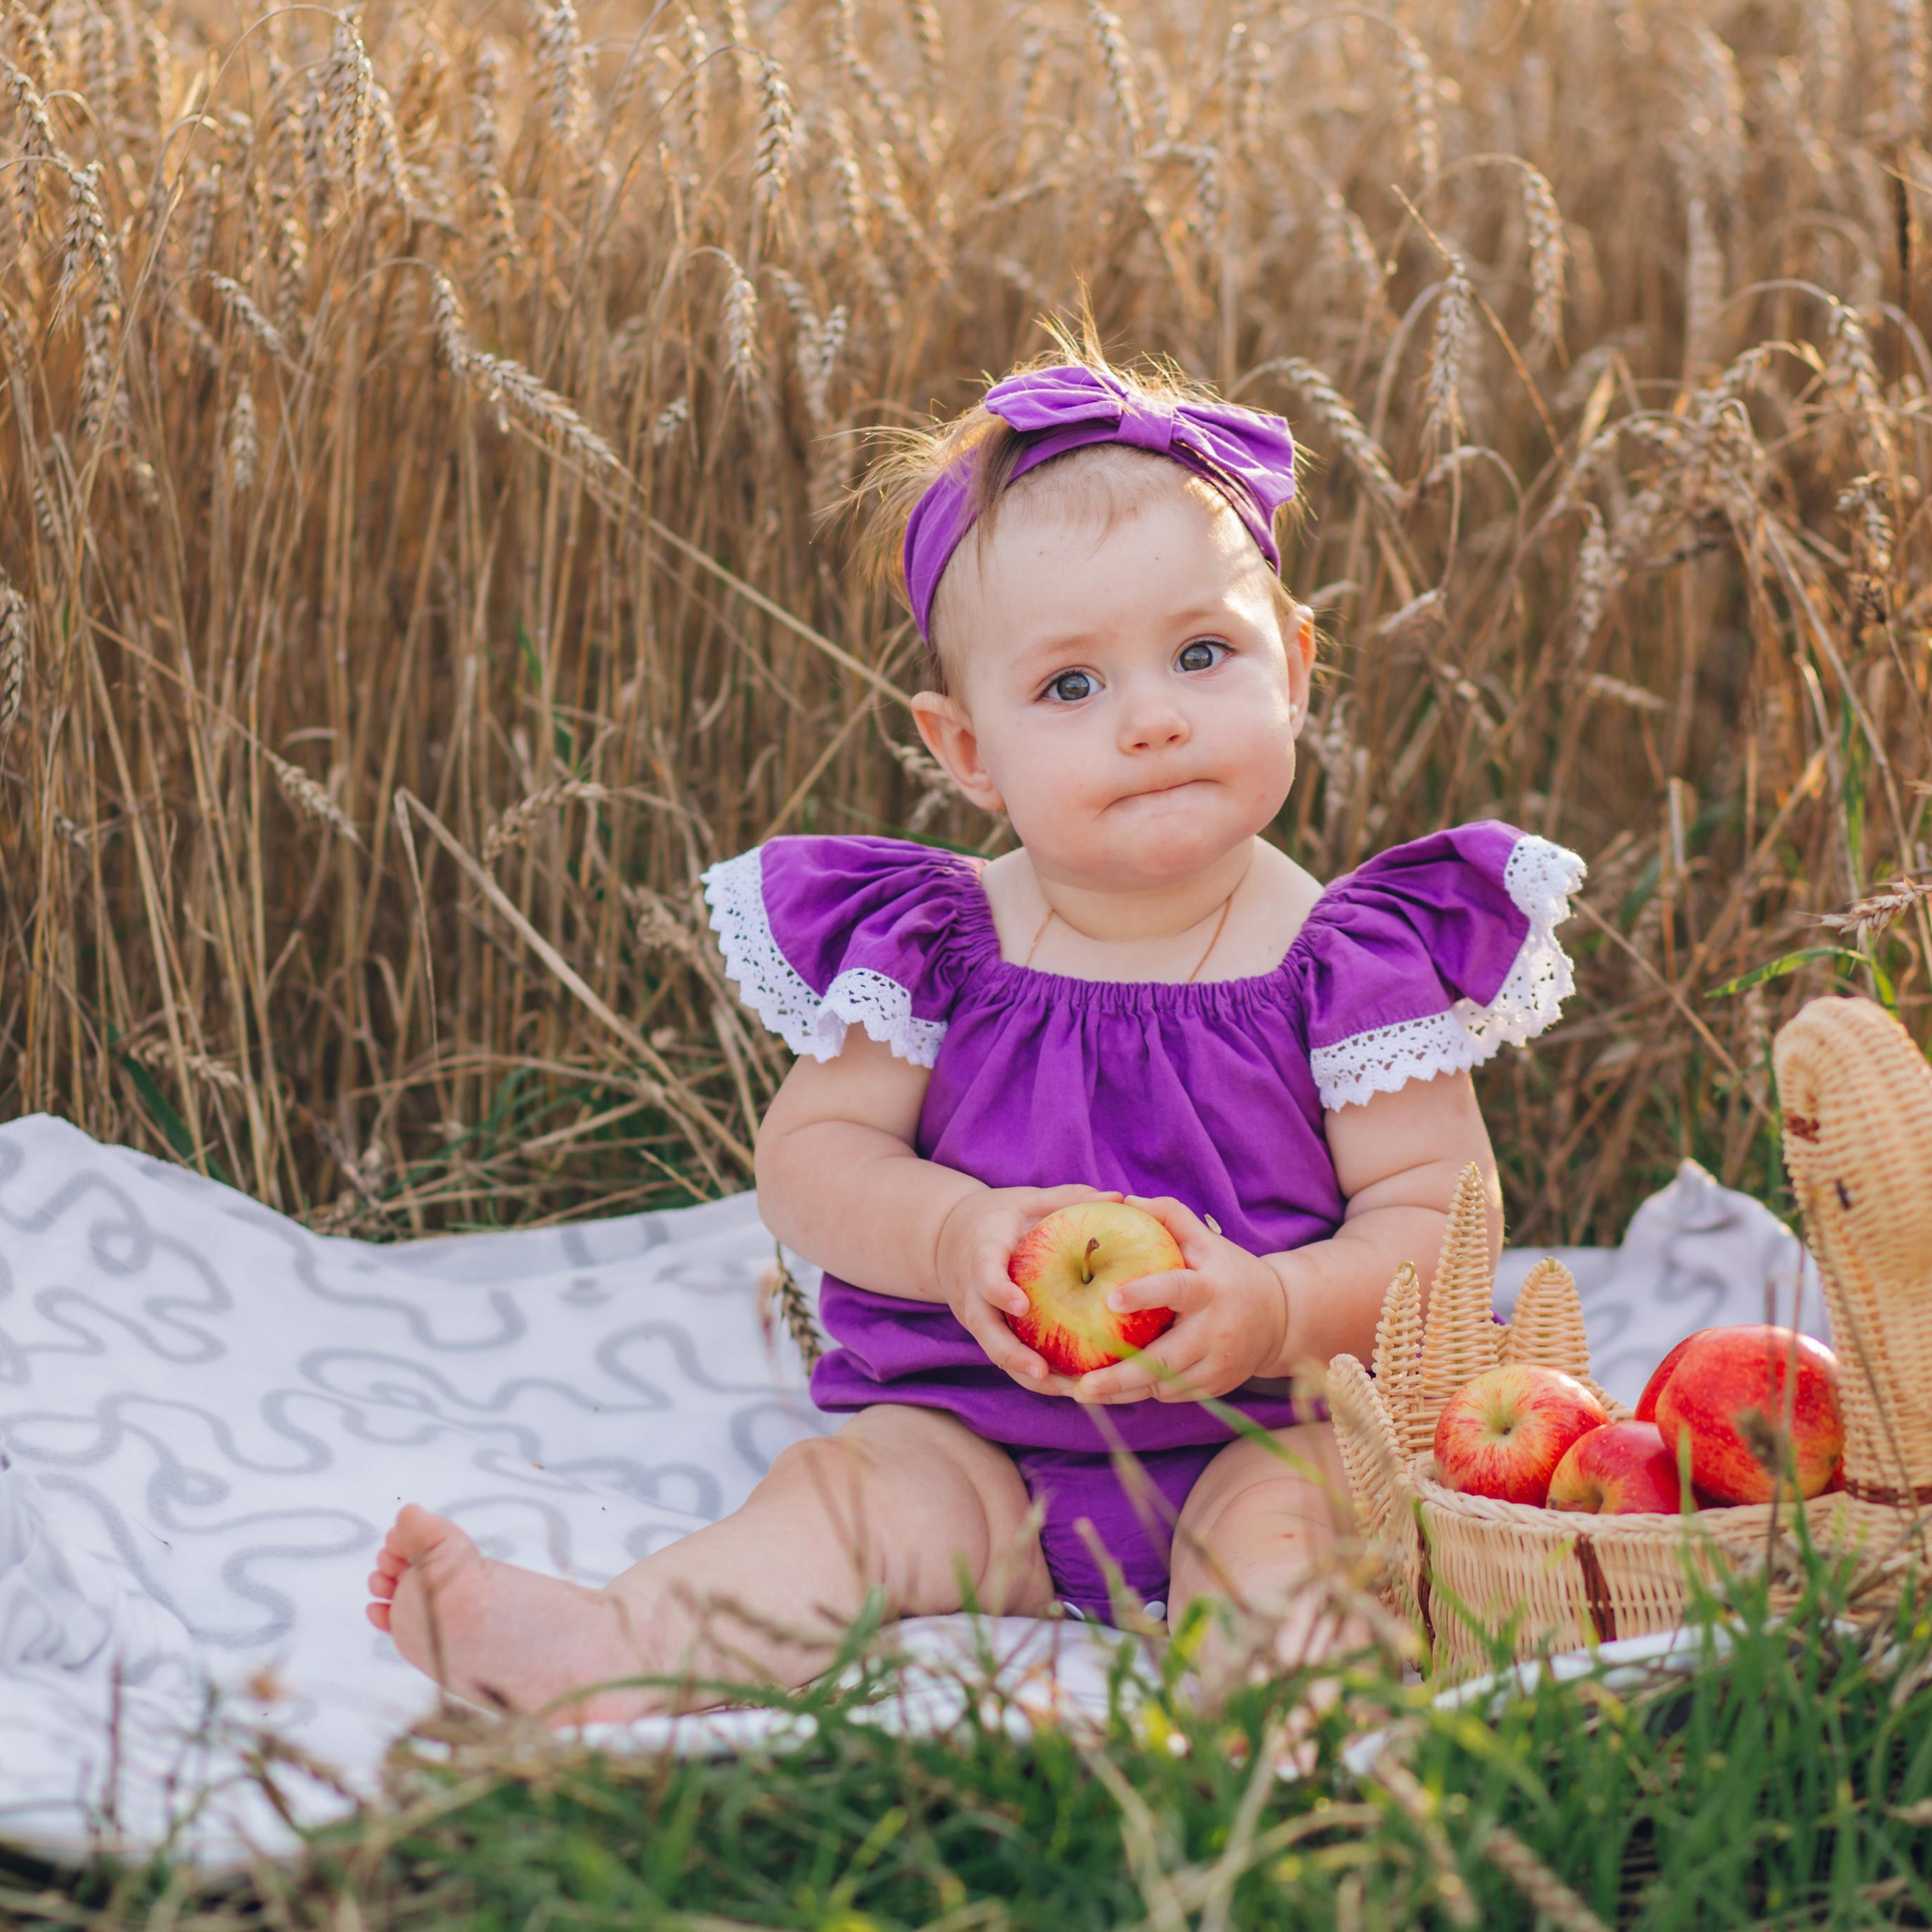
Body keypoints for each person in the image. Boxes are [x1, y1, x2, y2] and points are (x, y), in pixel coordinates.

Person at [367, 333, 1586, 1719]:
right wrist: (952, 1236)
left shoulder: (1353, 962)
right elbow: (811, 1161)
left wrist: (1276, 1308)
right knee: (837, 1504)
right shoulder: (933, 945)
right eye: (1072, 685)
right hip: (971, 1436)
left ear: (1295, 670)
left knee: (1293, 1538)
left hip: (1265, 1422)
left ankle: (1275, 1722)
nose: (1151, 722)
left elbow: (1441, 1223)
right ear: (964, 752)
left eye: (1202, 654)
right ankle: (613, 1642)